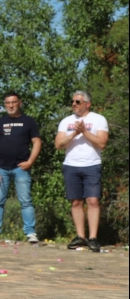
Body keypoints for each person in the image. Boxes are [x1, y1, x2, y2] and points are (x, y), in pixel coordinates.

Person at [0, 93, 42, 244]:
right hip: (1, 168)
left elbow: (37, 142)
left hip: (21, 168)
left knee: (26, 201)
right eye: (8, 103)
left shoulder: (29, 121)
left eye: (14, 102)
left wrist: (30, 161)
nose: (11, 105)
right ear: (4, 105)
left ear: (20, 103)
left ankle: (30, 232)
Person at [56, 91, 109, 252]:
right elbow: (58, 145)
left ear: (87, 104)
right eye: (72, 101)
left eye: (78, 101)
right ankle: (81, 237)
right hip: (71, 165)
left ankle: (93, 237)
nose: (74, 104)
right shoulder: (66, 121)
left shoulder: (99, 119)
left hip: (92, 164)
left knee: (93, 201)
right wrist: (74, 133)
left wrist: (85, 132)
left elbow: (102, 144)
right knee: (76, 202)